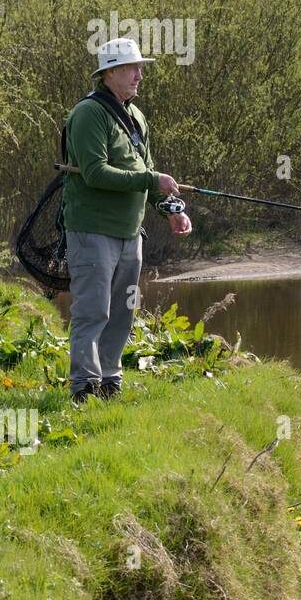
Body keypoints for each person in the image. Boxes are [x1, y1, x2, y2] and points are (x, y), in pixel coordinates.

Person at [63, 37, 192, 403]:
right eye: (132, 68)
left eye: (140, 68)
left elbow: (145, 172)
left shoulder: (135, 116)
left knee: (123, 310)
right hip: (92, 231)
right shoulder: (88, 113)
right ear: (109, 73)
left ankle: (109, 381)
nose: (139, 75)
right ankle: (83, 388)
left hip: (129, 234)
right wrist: (153, 180)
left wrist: (173, 209)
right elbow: (95, 173)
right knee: (92, 311)